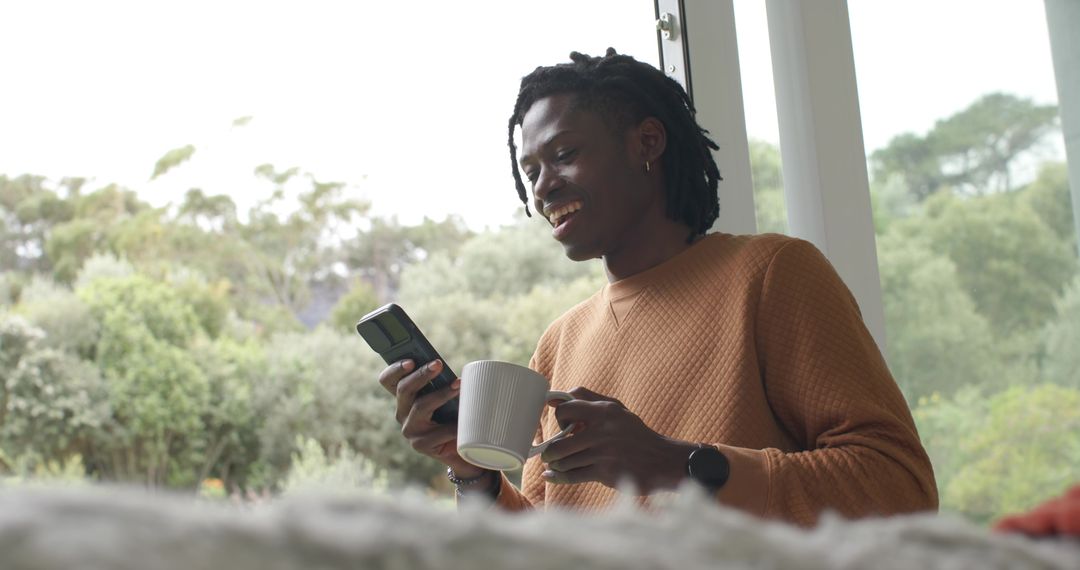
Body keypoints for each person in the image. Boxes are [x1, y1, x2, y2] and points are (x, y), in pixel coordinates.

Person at [378, 48, 938, 527]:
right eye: (531, 172)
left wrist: (674, 465)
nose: (543, 188)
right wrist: (472, 474)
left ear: (647, 142)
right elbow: (544, 551)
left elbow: (899, 489)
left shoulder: (772, 274)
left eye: (564, 155)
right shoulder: (559, 343)